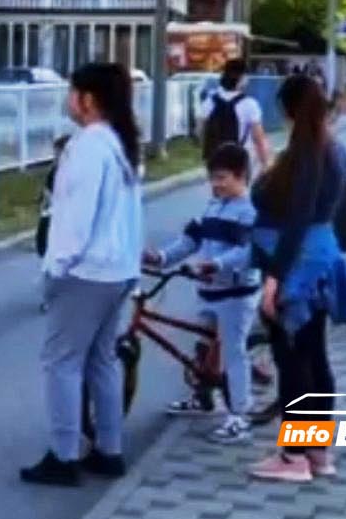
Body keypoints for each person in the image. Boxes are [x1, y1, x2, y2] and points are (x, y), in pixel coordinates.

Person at [20, 63, 145, 487]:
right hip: (117, 269)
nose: (68, 100)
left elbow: (76, 216)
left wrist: (57, 267)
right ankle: (109, 449)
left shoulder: (88, 146)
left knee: (63, 363)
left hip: (85, 271)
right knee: (102, 360)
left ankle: (64, 454)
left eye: (72, 92)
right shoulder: (119, 144)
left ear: (87, 100)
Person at [246, 75, 346, 484]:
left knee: (294, 359)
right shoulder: (331, 147)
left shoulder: (308, 152)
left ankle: (293, 455)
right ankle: (316, 449)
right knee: (314, 355)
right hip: (320, 258)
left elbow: (297, 218)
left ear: (287, 109)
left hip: (298, 265)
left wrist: (275, 278)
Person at [143, 142, 261, 444]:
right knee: (203, 348)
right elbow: (190, 242)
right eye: (213, 178)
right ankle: (202, 397)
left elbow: (246, 253)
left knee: (234, 353)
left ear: (241, 176)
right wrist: (162, 257)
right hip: (209, 291)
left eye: (222, 178)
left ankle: (239, 415)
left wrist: (216, 264)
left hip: (236, 292)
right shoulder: (212, 207)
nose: (215, 184)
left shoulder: (248, 212)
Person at [198, 59, 272, 174]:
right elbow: (259, 138)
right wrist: (265, 164)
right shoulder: (250, 104)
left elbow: (200, 131)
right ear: (241, 79)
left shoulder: (209, 101)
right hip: (240, 162)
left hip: (215, 161)